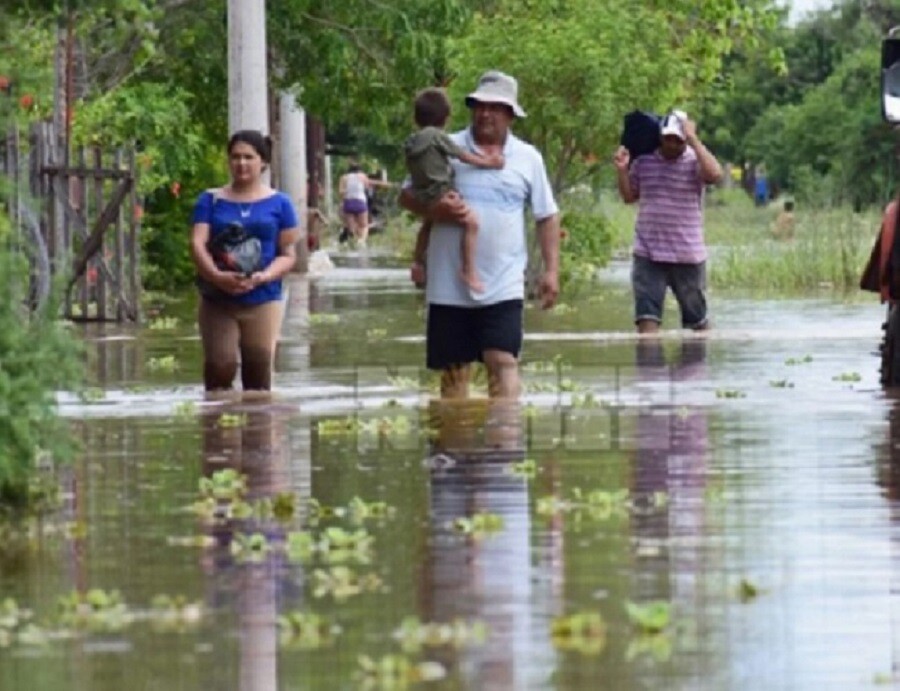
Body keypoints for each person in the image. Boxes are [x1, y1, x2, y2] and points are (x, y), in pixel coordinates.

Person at [399, 70, 561, 399]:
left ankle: (505, 444)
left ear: (511, 115)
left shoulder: (528, 158)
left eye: (496, 107)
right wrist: (435, 211)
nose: (486, 114)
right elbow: (405, 196)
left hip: (503, 283)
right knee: (455, 374)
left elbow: (546, 215)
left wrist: (552, 271)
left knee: (502, 360)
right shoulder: (444, 145)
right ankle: (454, 448)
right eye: (479, 106)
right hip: (447, 286)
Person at [190, 130, 300, 391]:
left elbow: (288, 254)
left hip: (263, 296)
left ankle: (259, 429)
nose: (241, 163)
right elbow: (197, 243)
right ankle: (216, 425)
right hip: (218, 298)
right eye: (235, 157)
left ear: (262, 162)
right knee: (220, 365)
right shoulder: (210, 200)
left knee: (258, 372)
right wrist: (216, 276)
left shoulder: (281, 203)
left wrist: (264, 276)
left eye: (249, 157)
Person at [613, 111, 723, 334]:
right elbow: (629, 196)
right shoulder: (644, 163)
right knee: (646, 317)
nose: (672, 144)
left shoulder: (695, 162)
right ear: (660, 137)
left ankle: (696, 368)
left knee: (698, 320)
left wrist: (693, 139)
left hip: (687, 253)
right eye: (668, 139)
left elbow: (715, 174)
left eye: (678, 140)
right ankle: (649, 367)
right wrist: (622, 171)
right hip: (648, 252)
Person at [405, 87, 505, 292]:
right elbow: (462, 155)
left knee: (427, 224)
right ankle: (469, 269)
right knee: (472, 223)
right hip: (442, 193)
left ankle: (417, 262)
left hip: (423, 195)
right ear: (446, 119)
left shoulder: (412, 141)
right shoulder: (437, 136)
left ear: (416, 119)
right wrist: (489, 162)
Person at [338, 162, 391, 246]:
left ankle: (352, 242)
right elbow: (369, 184)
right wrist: (384, 184)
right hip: (360, 202)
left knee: (351, 228)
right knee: (364, 226)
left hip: (348, 203)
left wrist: (347, 191)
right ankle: (361, 241)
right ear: (360, 170)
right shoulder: (362, 176)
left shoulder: (343, 178)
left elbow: (340, 192)